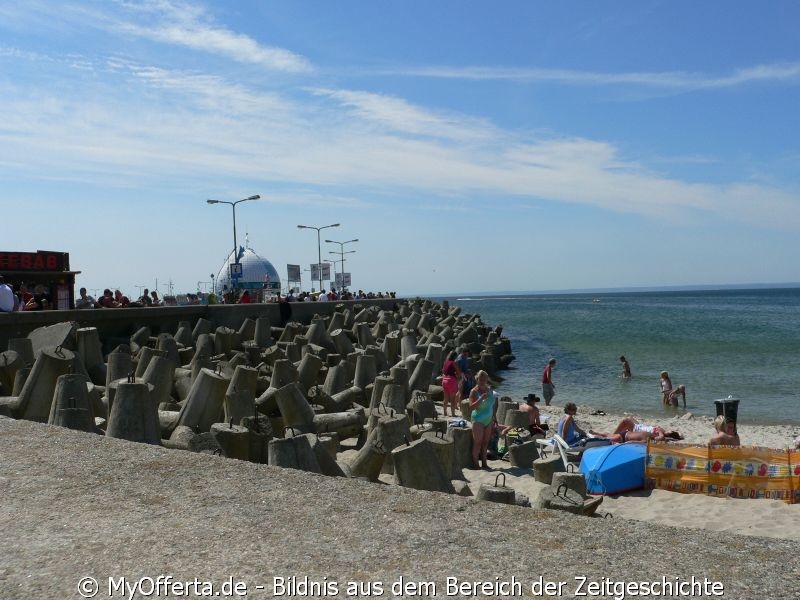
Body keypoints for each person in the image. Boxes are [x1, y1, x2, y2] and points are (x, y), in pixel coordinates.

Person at [469, 370, 497, 469]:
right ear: (477, 379)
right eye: (480, 379)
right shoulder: (474, 391)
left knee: (485, 443)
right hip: (478, 420)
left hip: (489, 420)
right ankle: (476, 465)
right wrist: (481, 399)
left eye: (484, 379)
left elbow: (492, 405)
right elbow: (471, 407)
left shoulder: (489, 390)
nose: (482, 381)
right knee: (478, 443)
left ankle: (484, 463)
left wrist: (494, 417)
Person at [440, 350, 459, 417]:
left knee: (446, 398)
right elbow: (458, 372)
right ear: (455, 356)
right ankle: (453, 414)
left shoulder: (445, 362)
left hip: (444, 380)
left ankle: (445, 412)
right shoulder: (454, 363)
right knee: (452, 399)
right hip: (451, 381)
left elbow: (443, 371)